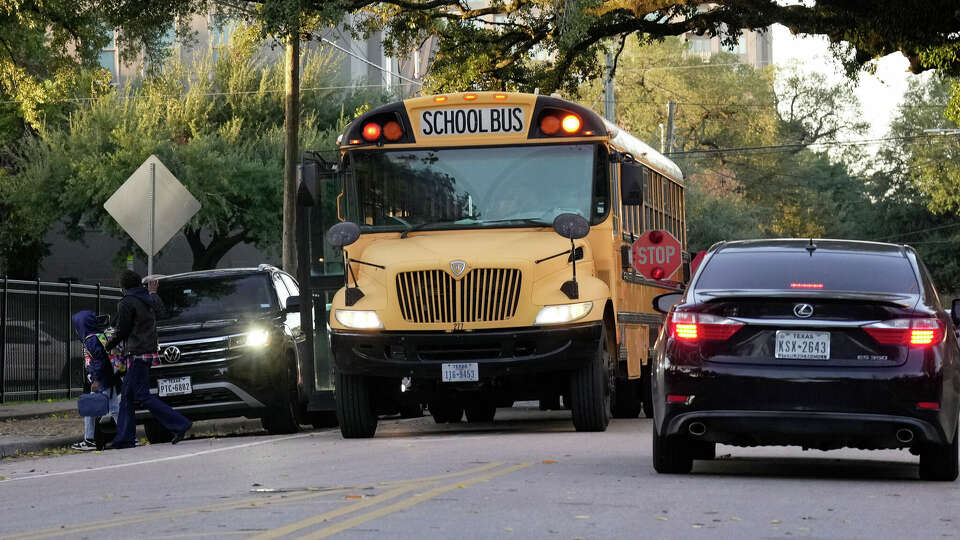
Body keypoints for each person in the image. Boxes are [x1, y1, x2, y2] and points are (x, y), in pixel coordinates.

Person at [106, 270, 192, 448]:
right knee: (128, 397)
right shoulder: (149, 299)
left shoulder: (127, 302)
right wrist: (153, 293)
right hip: (148, 352)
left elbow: (123, 329)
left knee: (142, 395)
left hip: (136, 353)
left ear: (123, 287)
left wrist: (109, 344)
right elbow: (162, 313)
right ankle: (124, 438)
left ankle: (180, 423)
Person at [70, 310, 121, 451]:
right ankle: (126, 435)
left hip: (102, 380)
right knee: (112, 409)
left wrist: (96, 380)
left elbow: (99, 360)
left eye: (77, 325)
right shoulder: (97, 337)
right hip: (108, 377)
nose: (76, 329)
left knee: (91, 409)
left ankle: (90, 439)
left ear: (82, 325)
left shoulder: (91, 340)